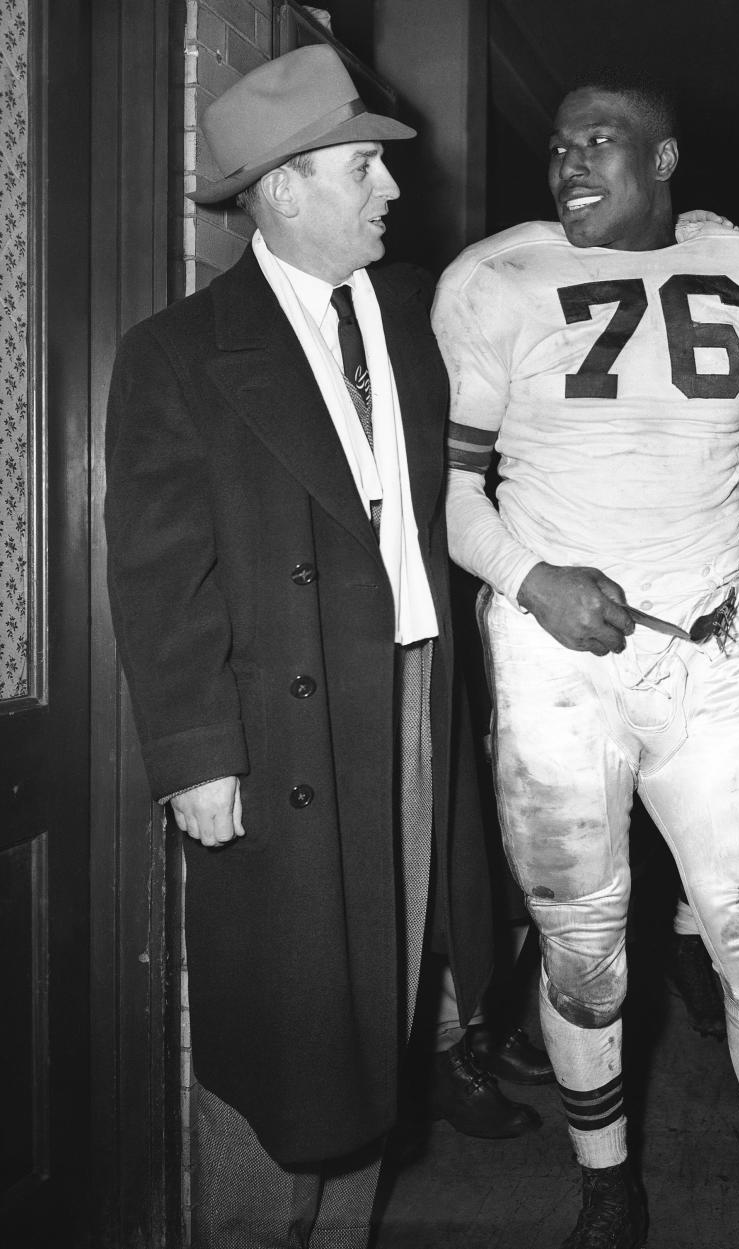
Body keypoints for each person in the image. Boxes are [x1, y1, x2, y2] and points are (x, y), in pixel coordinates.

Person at [433, 71, 739, 1249]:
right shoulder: (495, 282)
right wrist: (535, 579)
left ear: (664, 162)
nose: (569, 161)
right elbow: (459, 504)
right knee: (582, 949)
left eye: (600, 141)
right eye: (560, 143)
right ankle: (605, 1181)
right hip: (557, 664)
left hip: (713, 663)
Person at [104, 44, 521, 1249]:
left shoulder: (414, 315)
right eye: (360, 170)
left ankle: (341, 1235)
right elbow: (157, 572)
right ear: (282, 188)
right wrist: (192, 755)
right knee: (284, 1021)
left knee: (380, 1003)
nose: (391, 189)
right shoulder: (176, 353)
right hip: (278, 724)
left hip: (409, 698)